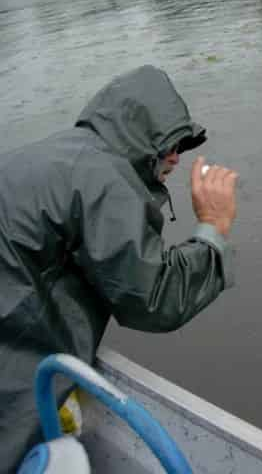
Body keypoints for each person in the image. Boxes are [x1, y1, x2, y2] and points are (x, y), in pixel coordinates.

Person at [0, 65, 238, 471]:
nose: (177, 157)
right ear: (137, 134)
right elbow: (154, 298)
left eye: (182, 144)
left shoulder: (59, 153)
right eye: (168, 144)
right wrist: (213, 227)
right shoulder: (102, 176)